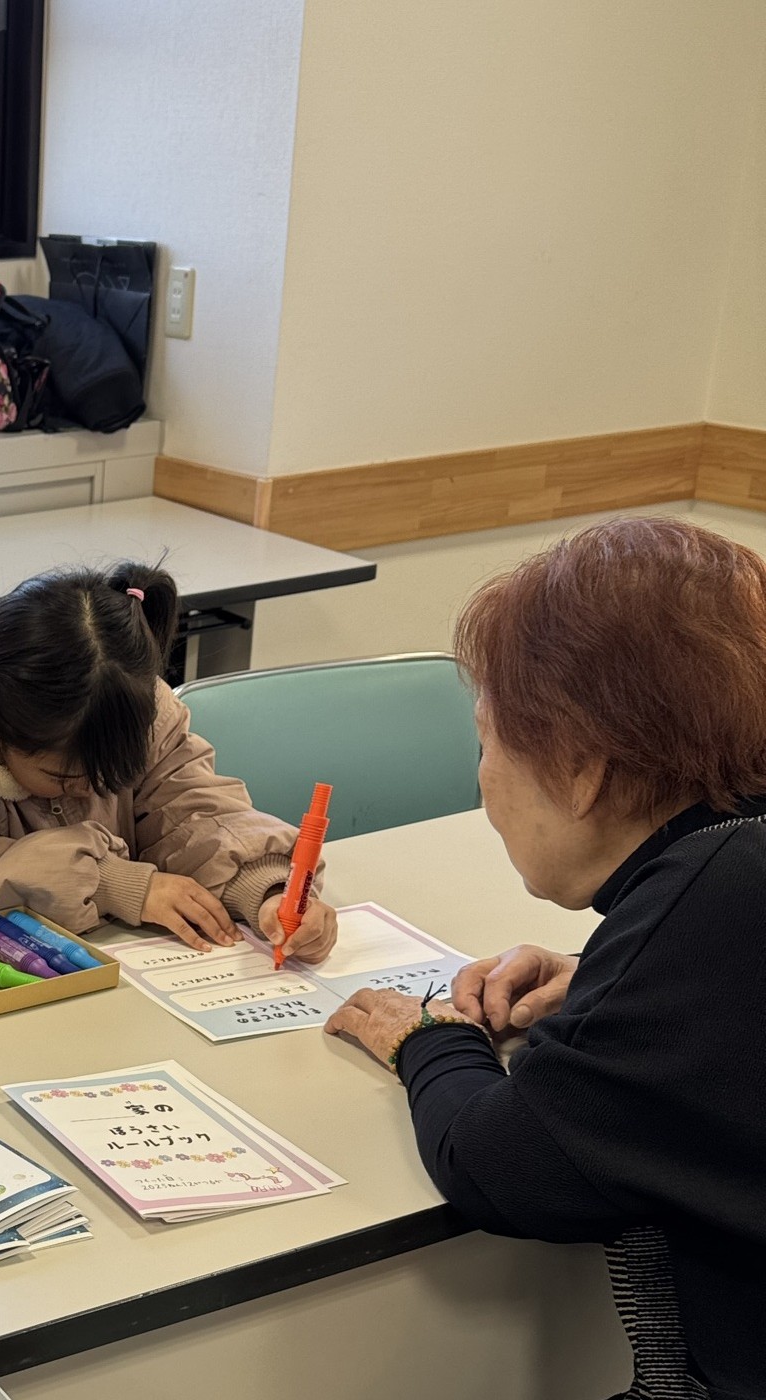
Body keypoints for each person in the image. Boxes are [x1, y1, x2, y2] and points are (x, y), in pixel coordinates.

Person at [325, 516, 766, 1399]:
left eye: (487, 742)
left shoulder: (713, 896)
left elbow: (504, 1169)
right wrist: (607, 982)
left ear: (581, 767)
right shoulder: (733, 866)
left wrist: (431, 1038)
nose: (482, 778)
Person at [0, 565, 340, 960]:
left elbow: (193, 811)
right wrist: (112, 882)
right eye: (64, 777)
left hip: (106, 954)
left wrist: (263, 890)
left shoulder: (138, 712)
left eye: (109, 776)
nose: (90, 791)